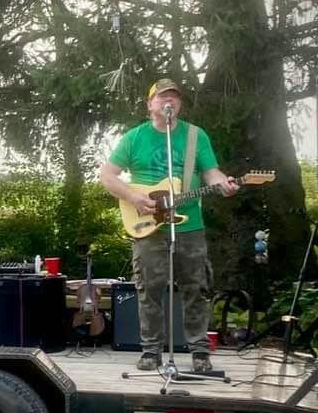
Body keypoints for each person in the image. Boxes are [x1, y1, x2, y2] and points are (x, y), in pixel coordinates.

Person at [100, 78, 239, 372]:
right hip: (148, 225)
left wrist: (223, 184)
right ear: (150, 104)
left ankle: (199, 352)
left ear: (180, 104)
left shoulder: (195, 136)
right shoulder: (134, 138)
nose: (169, 101)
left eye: (174, 97)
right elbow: (108, 176)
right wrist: (135, 198)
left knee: (196, 289)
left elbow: (211, 172)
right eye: (162, 97)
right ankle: (151, 352)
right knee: (149, 290)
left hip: (190, 225)